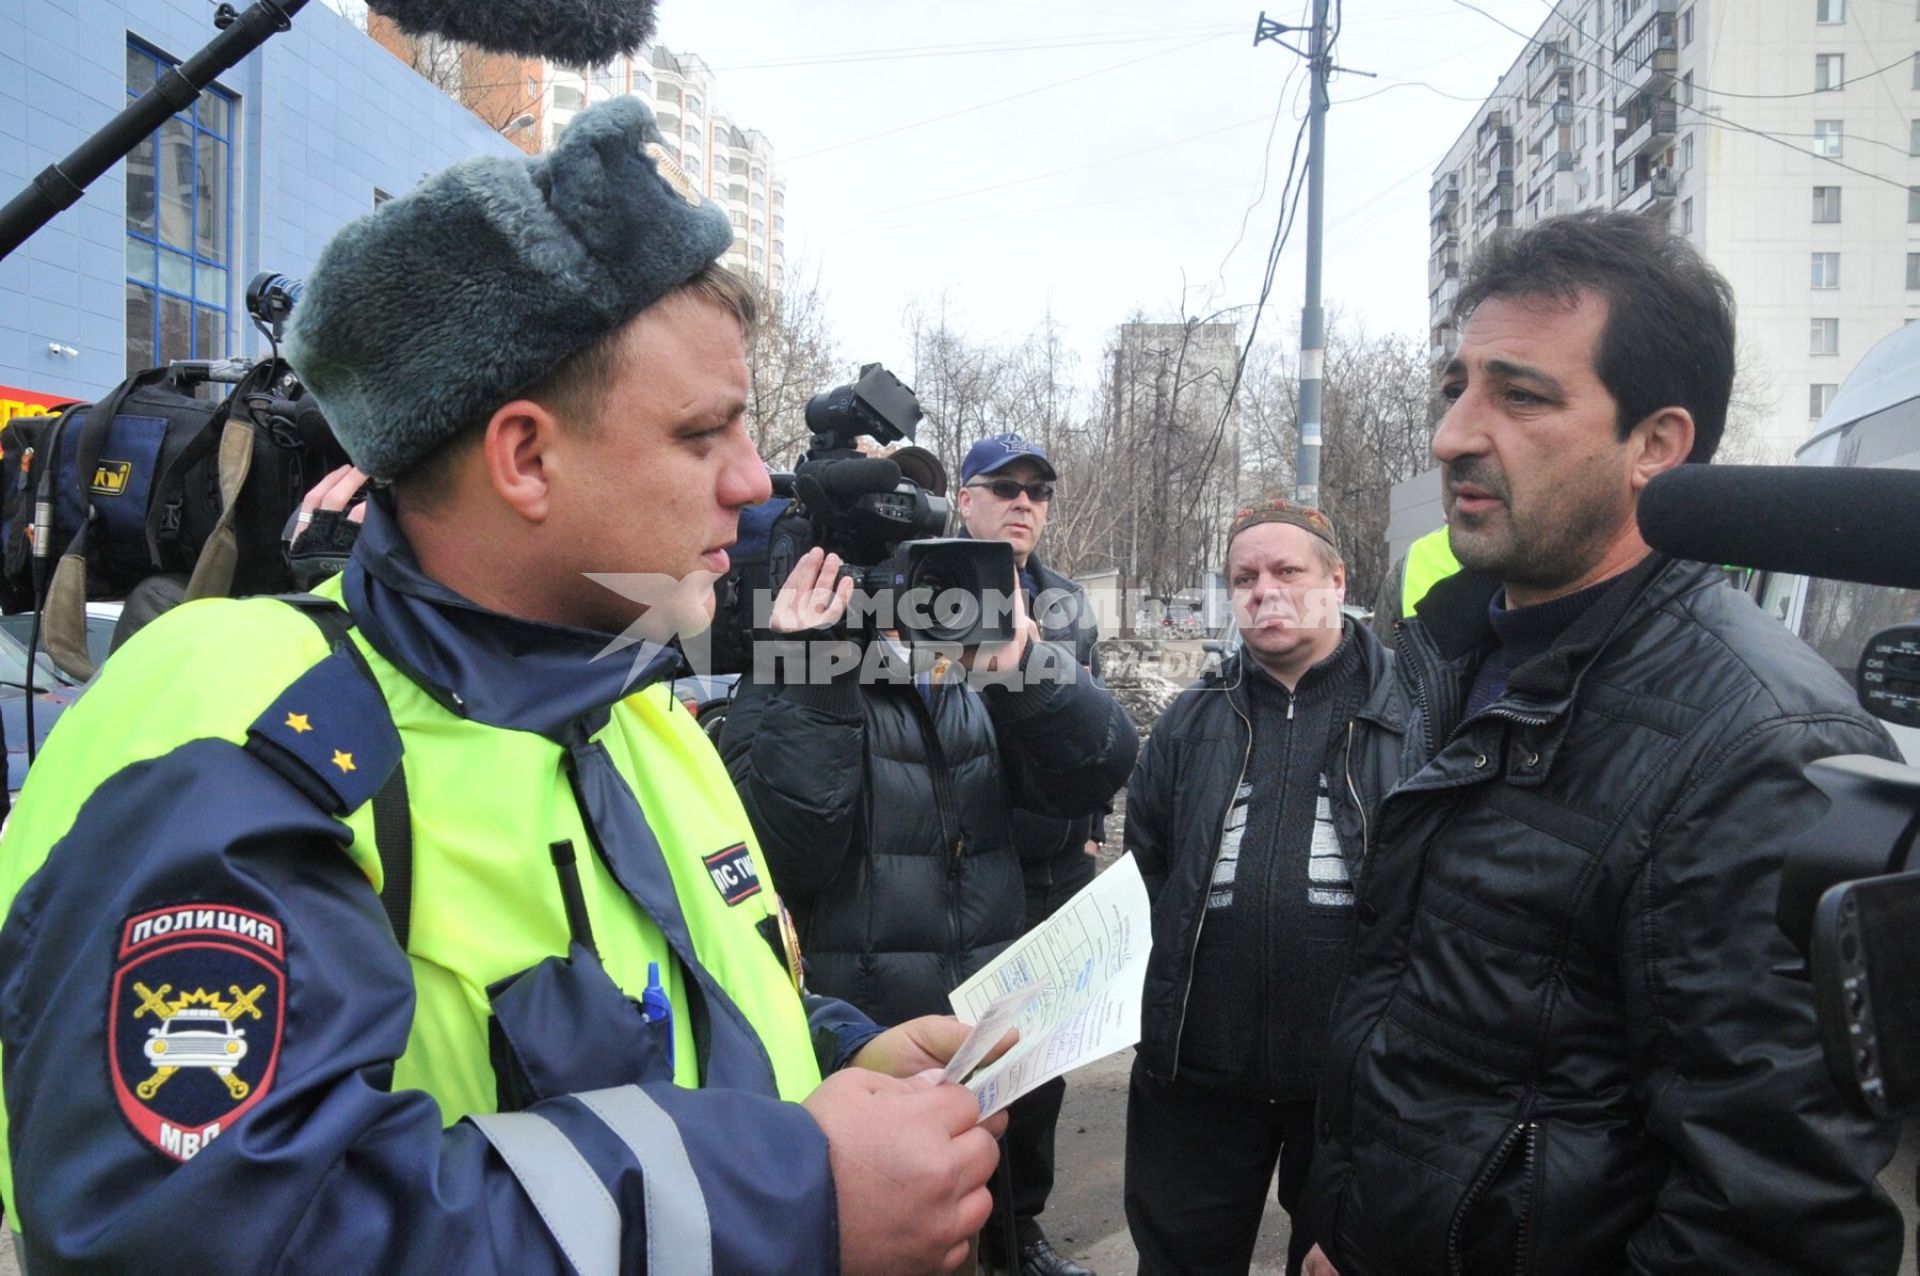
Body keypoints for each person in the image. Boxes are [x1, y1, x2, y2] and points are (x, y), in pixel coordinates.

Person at [0, 97, 1007, 1276]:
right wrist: (797, 1191)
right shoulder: (232, 722)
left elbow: (682, 1030)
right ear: (524, 457)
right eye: (702, 435)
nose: (752, 482)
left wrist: (838, 1069)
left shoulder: (637, 717)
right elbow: (212, 1237)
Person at [1300, 211, 1903, 1276]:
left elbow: (1767, 1222)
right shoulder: (1446, 652)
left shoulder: (1760, 743)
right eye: (1457, 388)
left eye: (1520, 394)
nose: (1452, 435)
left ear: (1657, 447)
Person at [719, 458, 1138, 1267]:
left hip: (982, 1028)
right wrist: (812, 674)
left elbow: (1099, 764)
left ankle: (1017, 1240)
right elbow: (785, 854)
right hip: (866, 1049)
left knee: (987, 1214)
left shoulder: (968, 672)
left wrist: (1024, 670)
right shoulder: (787, 675)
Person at [1123, 499, 1403, 1276]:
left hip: (1354, 1093)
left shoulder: (1409, 717)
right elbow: (1151, 864)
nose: (1264, 591)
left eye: (1288, 571)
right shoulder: (1190, 721)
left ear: (1336, 581)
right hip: (1199, 1082)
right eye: (1244, 577)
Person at [955, 433, 1106, 1276]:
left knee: (1039, 1064)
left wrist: (1090, 817)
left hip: (1050, 866)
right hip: (958, 860)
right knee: (957, 1053)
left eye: (1037, 492)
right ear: (965, 500)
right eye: (1003, 487)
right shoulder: (920, 588)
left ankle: (1021, 1228)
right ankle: (958, 1226)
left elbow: (1089, 717)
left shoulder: (1067, 605)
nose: (1023, 503)